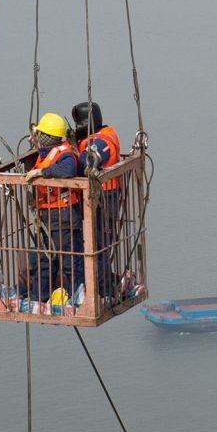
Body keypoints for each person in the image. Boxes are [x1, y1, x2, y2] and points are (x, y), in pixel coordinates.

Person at [20, 112, 81, 303]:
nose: (35, 138)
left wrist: (42, 172)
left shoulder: (65, 154)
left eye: (39, 135)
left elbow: (68, 170)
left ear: (46, 137)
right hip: (47, 216)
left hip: (63, 215)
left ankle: (76, 297)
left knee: (69, 260)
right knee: (45, 260)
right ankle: (39, 297)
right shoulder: (46, 153)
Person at [70, 102, 123, 303]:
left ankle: (104, 290)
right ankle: (100, 286)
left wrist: (70, 155)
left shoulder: (101, 141)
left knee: (99, 244)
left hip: (104, 198)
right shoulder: (101, 135)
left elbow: (87, 161)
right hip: (100, 196)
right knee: (96, 243)